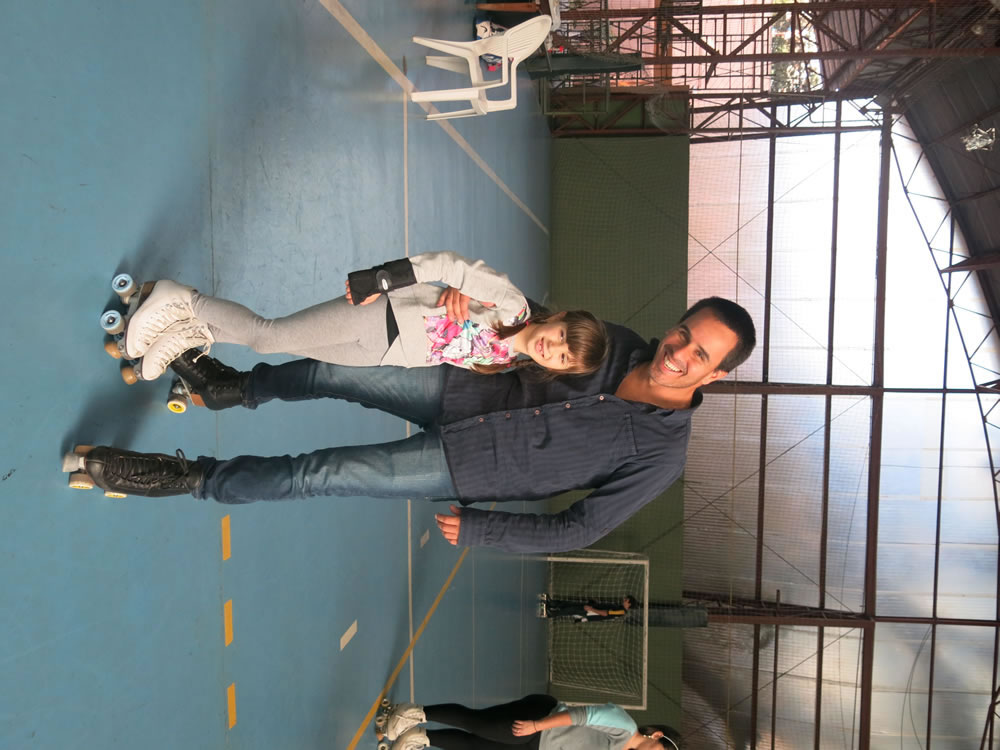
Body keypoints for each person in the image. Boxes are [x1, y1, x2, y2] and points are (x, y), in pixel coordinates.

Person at [66, 290, 755, 554]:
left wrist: (487, 528)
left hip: (468, 467)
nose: (679, 353)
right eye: (684, 334)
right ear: (675, 324)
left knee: (319, 474)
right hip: (464, 383)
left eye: (700, 355)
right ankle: (232, 388)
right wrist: (477, 304)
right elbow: (538, 329)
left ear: (716, 374)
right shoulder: (622, 341)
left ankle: (187, 478)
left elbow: (583, 526)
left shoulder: (662, 455)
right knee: (331, 369)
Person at [120, 251, 608, 380]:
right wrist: (382, 279)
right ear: (557, 318)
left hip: (387, 353)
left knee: (277, 343)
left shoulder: (508, 361)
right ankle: (184, 301)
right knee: (269, 337)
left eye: (563, 359)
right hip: (384, 318)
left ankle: (193, 332)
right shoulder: (514, 306)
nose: (553, 349)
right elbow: (450, 267)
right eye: (562, 337)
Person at [377, 695, 681, 749]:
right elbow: (581, 715)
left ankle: (421, 738)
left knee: (476, 746)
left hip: (536, 748)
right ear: (655, 736)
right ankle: (412, 713)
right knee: (477, 723)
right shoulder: (624, 725)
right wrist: (536, 725)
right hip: (540, 720)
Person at [541, 594, 636, 622]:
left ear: (629, 603)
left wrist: (591, 609)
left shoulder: (621, 611)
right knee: (569, 604)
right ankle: (551, 603)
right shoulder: (619, 607)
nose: (624, 599)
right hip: (590, 608)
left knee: (570, 610)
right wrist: (594, 604)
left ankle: (550, 613)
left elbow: (605, 613)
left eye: (626, 599)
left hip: (589, 611)